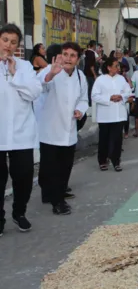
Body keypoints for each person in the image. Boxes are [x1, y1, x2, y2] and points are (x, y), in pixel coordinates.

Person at [0, 24, 42, 235]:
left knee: (23, 176)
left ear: (18, 46)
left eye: (13, 42)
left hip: (21, 133)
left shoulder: (24, 67)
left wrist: (15, 74)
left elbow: (34, 93)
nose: (8, 45)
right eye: (5, 40)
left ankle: (19, 213)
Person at [38, 42, 88, 215]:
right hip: (50, 129)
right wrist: (51, 73)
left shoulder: (80, 77)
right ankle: (51, 195)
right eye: (65, 54)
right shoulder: (50, 71)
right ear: (60, 55)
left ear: (77, 59)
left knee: (64, 166)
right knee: (48, 167)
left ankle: (58, 199)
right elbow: (39, 87)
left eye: (73, 55)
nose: (68, 58)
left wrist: (80, 110)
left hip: (69, 130)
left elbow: (84, 99)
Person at [91, 57, 131, 172]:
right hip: (105, 115)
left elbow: (128, 91)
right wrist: (109, 98)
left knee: (117, 139)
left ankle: (116, 161)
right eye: (116, 66)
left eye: (118, 66)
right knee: (104, 139)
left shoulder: (121, 79)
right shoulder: (100, 80)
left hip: (119, 114)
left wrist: (121, 97)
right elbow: (94, 95)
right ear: (108, 67)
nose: (118, 68)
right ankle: (103, 161)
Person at [84, 40, 98, 107]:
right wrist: (94, 74)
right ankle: (90, 102)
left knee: (89, 88)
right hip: (90, 74)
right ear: (94, 46)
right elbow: (91, 65)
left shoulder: (86, 53)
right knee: (91, 88)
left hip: (86, 73)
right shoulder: (91, 53)